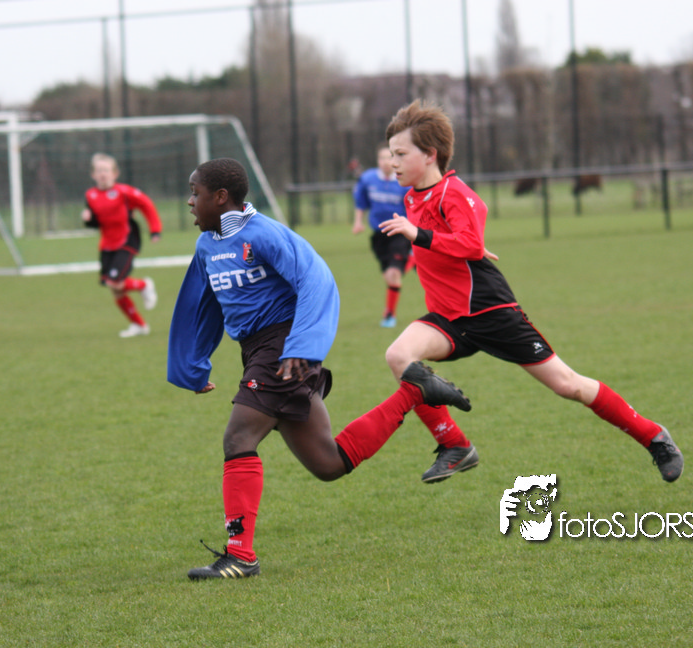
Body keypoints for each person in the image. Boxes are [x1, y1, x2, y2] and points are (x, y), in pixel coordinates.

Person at [167, 158, 471, 580]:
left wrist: (303, 347)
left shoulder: (264, 234)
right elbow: (200, 306)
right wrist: (191, 366)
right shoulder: (207, 246)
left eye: (195, 193)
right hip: (257, 352)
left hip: (283, 349)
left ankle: (240, 556)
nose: (190, 202)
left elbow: (316, 279)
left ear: (220, 197)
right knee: (329, 464)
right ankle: (415, 393)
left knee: (238, 438)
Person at [377, 100, 684, 484]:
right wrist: (446, 243)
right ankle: (455, 445)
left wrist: (428, 237)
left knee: (567, 385)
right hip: (449, 318)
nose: (393, 163)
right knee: (399, 356)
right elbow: (457, 242)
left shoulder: (454, 191)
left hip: (489, 311)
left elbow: (469, 241)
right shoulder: (412, 197)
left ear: (430, 154)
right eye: (391, 154)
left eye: (401, 154)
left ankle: (654, 437)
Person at [81, 152, 162, 338]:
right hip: (107, 244)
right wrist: (88, 220)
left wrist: (155, 229)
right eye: (99, 170)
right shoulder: (90, 195)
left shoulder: (124, 192)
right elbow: (96, 222)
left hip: (127, 239)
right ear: (93, 174)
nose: (103, 174)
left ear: (115, 173)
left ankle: (143, 285)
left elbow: (146, 205)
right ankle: (139, 325)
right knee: (115, 289)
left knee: (115, 282)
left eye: (106, 170)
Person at [352, 146, 412, 328]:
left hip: (399, 234)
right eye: (382, 158)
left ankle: (389, 315)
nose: (386, 162)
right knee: (389, 277)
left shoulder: (404, 182)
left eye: (389, 158)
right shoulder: (368, 179)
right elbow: (361, 203)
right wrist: (358, 222)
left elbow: (413, 208)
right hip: (379, 236)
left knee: (394, 274)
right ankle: (411, 259)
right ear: (378, 161)